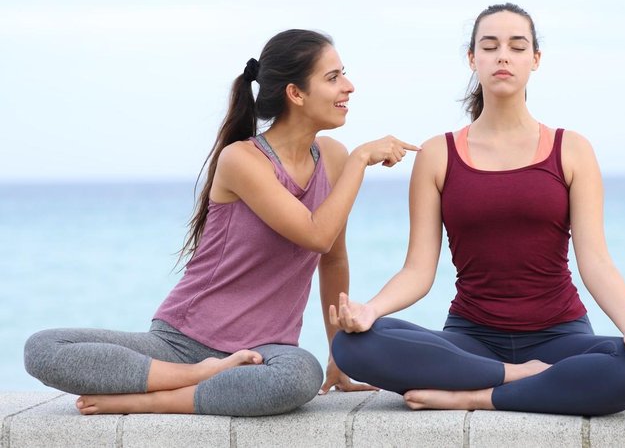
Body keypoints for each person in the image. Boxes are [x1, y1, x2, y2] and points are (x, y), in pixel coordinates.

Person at [24, 29, 419, 416]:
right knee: (43, 348)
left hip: (266, 351)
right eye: (333, 78)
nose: (348, 86)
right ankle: (195, 378)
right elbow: (315, 234)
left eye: (343, 74)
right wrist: (360, 161)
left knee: (300, 376)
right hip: (183, 343)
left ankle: (156, 398)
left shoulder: (331, 157)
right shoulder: (242, 160)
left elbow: (332, 259)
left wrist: (339, 354)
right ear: (295, 93)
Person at [329, 4, 625, 416]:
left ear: (535, 59)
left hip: (559, 336)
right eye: (489, 47)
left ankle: (477, 395)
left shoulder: (572, 149)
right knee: (351, 344)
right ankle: (518, 377)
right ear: (473, 59)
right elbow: (418, 270)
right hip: (470, 338)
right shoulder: (438, 154)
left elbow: (595, 261)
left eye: (516, 46)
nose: (503, 56)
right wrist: (370, 310)